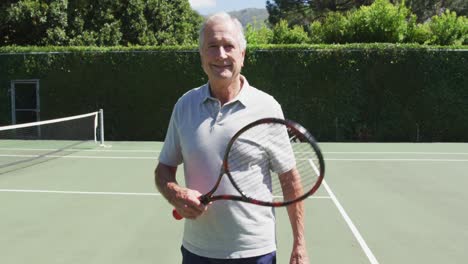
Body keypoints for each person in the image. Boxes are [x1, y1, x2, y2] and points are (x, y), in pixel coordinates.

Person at [154, 12, 309, 264]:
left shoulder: (267, 107)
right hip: (197, 252)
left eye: (229, 46)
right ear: (202, 56)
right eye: (212, 47)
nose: (221, 55)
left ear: (243, 55)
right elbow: (163, 170)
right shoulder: (184, 106)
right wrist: (175, 194)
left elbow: (290, 180)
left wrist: (299, 244)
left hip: (255, 252)